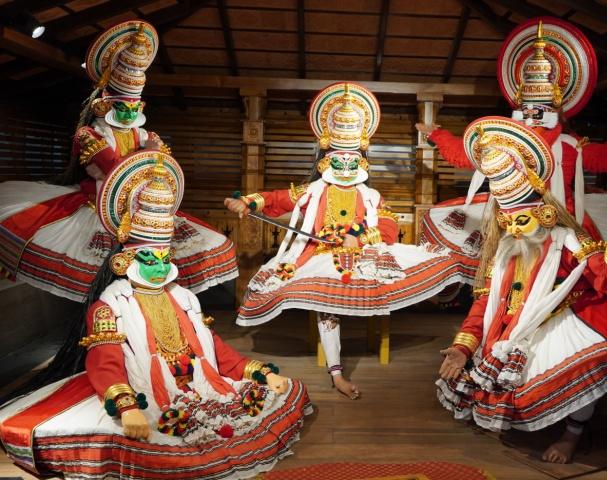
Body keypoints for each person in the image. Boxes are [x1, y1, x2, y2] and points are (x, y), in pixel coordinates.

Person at [0, 154, 311, 479]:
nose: (160, 266)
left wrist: (260, 373)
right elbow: (105, 363)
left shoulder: (183, 298)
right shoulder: (110, 306)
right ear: (125, 261)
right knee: (162, 450)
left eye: (165, 257)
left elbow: (215, 351)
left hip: (202, 385)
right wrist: (128, 408)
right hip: (146, 389)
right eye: (150, 258)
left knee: (286, 393)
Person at [435, 116, 607, 464]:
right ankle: (518, 414)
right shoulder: (503, 250)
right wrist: (461, 348)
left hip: (563, 310)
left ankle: (574, 433)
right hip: (513, 321)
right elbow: (484, 303)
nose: (515, 228)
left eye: (522, 220)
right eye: (507, 222)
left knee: (580, 359)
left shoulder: (566, 237)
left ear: (543, 213)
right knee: (495, 361)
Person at [225, 83, 463, 400]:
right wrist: (248, 202)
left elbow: (389, 227)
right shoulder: (312, 192)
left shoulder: (371, 196)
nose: (347, 168)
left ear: (363, 162)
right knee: (325, 302)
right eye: (340, 162)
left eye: (354, 162)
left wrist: (359, 236)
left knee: (423, 270)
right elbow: (277, 199)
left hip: (365, 258)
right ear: (325, 162)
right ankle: (336, 372)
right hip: (318, 257)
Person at [0, 21, 237, 302]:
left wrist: (156, 154)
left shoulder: (144, 133)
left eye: (134, 107)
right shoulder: (90, 133)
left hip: (142, 209)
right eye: (122, 106)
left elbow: (159, 174)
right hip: (99, 206)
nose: (128, 112)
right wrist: (148, 153)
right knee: (104, 277)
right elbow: (113, 168)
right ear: (106, 104)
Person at [418, 18, 607, 281]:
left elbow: (604, 156)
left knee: (579, 282)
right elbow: (465, 154)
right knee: (501, 284)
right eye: (528, 109)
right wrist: (437, 134)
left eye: (541, 109)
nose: (533, 116)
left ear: (557, 109)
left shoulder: (569, 145)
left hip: (560, 223)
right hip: (512, 223)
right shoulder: (504, 142)